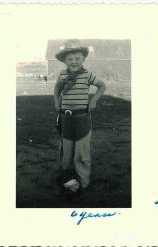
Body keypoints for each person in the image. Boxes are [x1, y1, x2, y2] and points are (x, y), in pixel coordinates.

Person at [53, 39, 106, 197]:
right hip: (66, 119)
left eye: (77, 58)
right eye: (69, 59)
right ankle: (67, 178)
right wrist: (57, 100)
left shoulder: (87, 75)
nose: (74, 61)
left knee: (82, 154)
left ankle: (83, 182)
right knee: (67, 152)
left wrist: (94, 100)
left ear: (83, 59)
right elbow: (57, 88)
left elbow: (102, 86)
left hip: (82, 119)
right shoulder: (62, 75)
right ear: (64, 60)